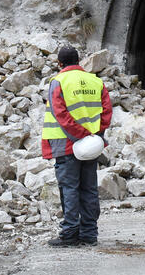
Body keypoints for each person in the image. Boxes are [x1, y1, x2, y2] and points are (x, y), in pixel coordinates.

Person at [42, 45, 113, 247]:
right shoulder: (96, 82)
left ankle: (70, 233)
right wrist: (94, 135)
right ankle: (89, 233)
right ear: (79, 61)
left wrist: (79, 136)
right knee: (89, 188)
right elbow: (106, 112)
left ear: (59, 63)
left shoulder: (58, 82)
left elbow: (60, 114)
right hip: (90, 146)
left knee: (69, 188)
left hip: (67, 145)